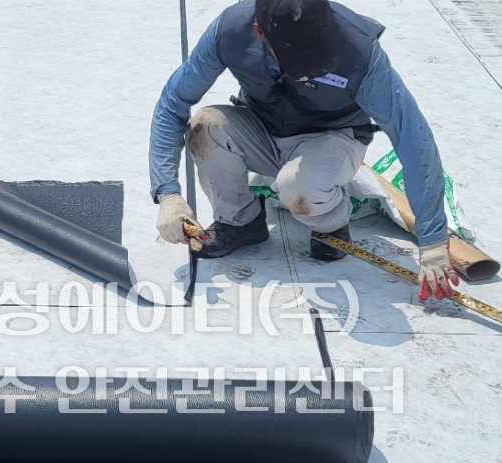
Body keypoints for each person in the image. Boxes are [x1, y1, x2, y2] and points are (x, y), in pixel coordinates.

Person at [150, 0, 460, 300]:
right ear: (259, 32)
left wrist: (432, 239)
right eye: (297, 59)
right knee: (205, 126)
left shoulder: (360, 50)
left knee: (299, 188)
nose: (308, 70)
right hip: (263, 129)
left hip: (332, 138)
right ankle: (241, 221)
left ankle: (332, 224)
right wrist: (168, 194)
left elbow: (410, 134)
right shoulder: (230, 30)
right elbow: (173, 102)